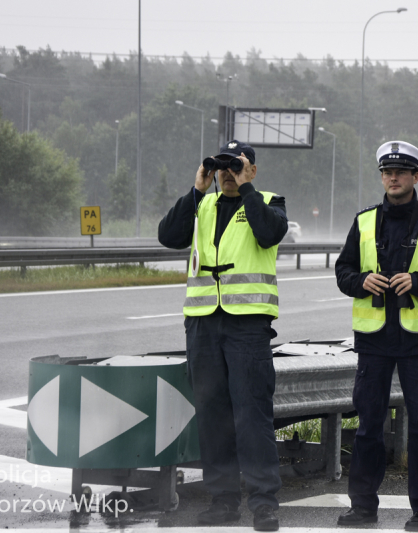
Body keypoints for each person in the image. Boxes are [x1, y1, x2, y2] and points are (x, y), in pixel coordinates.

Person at [334, 140, 418, 531]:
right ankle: (362, 508)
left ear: (415, 177)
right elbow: (343, 271)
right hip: (374, 340)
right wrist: (362, 281)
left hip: (417, 342)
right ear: (382, 176)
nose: (392, 178)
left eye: (400, 172)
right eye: (386, 172)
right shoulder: (363, 221)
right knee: (367, 427)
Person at [158, 140, 286, 531]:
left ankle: (265, 504)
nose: (227, 172)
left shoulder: (269, 200)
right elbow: (169, 236)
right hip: (202, 323)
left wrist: (246, 187)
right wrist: (197, 188)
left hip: (247, 324)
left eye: (237, 165)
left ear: (252, 169)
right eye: (222, 166)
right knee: (212, 415)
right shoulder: (203, 204)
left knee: (252, 415)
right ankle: (223, 500)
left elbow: (268, 233)